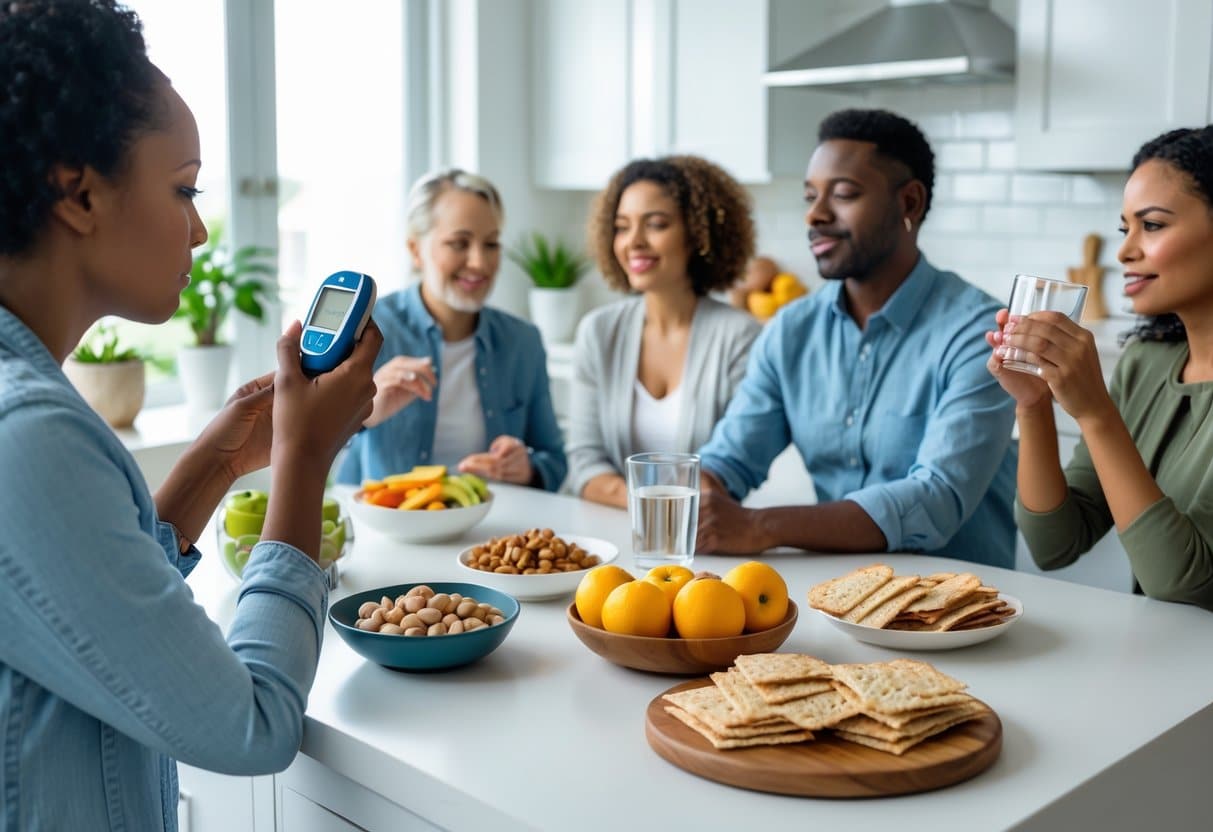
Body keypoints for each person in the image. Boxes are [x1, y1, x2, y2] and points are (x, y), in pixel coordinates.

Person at [0, 1, 380, 828]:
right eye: (184, 189)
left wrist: (217, 464)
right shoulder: (26, 436)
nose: (200, 230)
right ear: (78, 193)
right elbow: (251, 724)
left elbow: (91, 618)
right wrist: (305, 460)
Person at [695, 109, 1018, 567]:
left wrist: (759, 526)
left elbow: (935, 502)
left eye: (844, 194)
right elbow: (729, 460)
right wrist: (705, 492)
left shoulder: (977, 334)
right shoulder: (791, 331)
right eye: (810, 196)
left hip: (968, 601)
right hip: (834, 592)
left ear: (909, 203)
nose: (815, 214)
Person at [992, 126, 1213, 610]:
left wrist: (1095, 413)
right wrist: (1033, 404)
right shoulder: (1146, 363)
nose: (1124, 251)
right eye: (1124, 228)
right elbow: (1055, 544)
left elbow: (1186, 586)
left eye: (1151, 225)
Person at [336, 169, 566, 490]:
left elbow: (554, 461)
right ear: (416, 250)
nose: (480, 262)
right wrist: (364, 412)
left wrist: (526, 468)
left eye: (491, 244)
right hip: (387, 517)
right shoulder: (368, 330)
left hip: (494, 519)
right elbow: (310, 439)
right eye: (459, 244)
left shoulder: (523, 342)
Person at [567, 155, 761, 507]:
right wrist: (650, 511)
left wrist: (656, 514)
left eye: (656, 224)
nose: (634, 241)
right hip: (608, 527)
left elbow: (732, 470)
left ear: (697, 234)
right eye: (622, 227)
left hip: (703, 534)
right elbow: (584, 461)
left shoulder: (740, 338)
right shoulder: (598, 332)